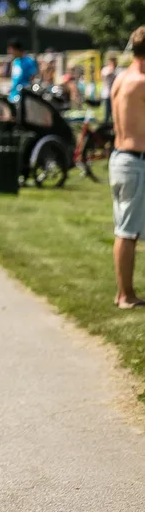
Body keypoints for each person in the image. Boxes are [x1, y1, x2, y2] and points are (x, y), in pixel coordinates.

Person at [110, 28, 145, 309]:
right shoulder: (141, 81)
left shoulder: (121, 79)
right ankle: (125, 295)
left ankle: (122, 292)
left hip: (120, 158)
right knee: (128, 231)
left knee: (125, 228)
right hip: (135, 161)